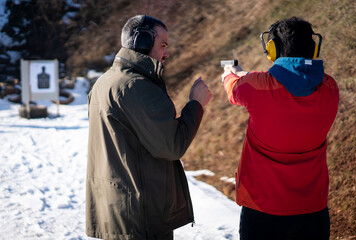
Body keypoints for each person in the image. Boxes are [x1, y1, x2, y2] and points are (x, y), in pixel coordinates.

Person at [86, 15, 212, 240]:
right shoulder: (137, 87)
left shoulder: (104, 82)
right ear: (141, 42)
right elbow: (172, 146)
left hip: (117, 210)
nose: (167, 53)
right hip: (140, 216)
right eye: (162, 45)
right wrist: (196, 104)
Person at [221, 16, 339, 240]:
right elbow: (288, 84)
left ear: (272, 49)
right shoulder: (330, 88)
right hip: (313, 207)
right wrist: (251, 77)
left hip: (263, 207)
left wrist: (230, 73)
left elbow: (234, 90)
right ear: (314, 50)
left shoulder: (255, 86)